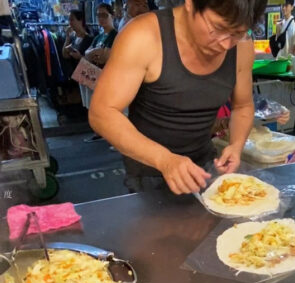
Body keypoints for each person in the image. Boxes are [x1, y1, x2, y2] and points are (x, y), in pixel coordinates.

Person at [89, 0, 267, 195]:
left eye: (237, 33)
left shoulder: (241, 47)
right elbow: (102, 112)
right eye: (218, 28)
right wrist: (165, 160)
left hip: (205, 167)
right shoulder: (143, 36)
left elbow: (242, 106)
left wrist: (236, 145)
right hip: (149, 173)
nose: (226, 43)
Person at [82, 3, 118, 143]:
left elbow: (106, 55)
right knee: (94, 104)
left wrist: (96, 54)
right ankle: (99, 130)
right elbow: (88, 53)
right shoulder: (98, 37)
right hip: (95, 75)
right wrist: (95, 53)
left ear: (112, 16)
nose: (101, 19)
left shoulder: (116, 35)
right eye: (99, 15)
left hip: (108, 76)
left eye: (104, 15)